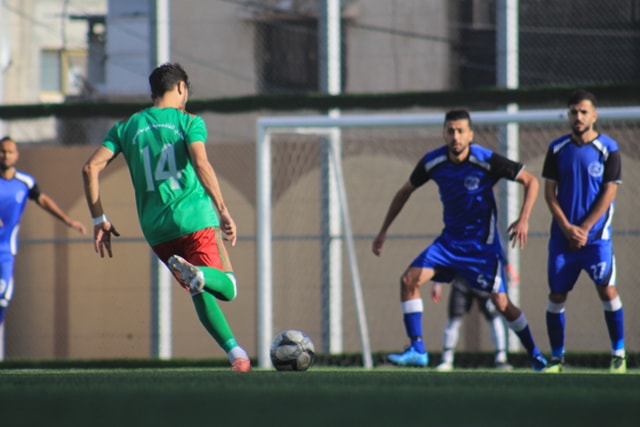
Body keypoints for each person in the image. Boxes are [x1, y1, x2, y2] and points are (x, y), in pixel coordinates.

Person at [81, 62, 251, 372]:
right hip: (194, 218)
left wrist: (98, 219)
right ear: (181, 88)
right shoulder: (188, 121)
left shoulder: (125, 127)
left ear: (153, 92)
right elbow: (201, 164)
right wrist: (223, 210)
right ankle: (202, 276)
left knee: (198, 288)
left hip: (156, 230)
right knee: (228, 286)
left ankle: (237, 355)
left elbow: (90, 168)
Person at [372, 109, 547, 371]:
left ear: (470, 135)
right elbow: (405, 190)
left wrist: (524, 219)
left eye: (461, 131)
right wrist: (383, 230)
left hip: (481, 249)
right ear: (444, 134)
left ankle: (534, 354)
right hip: (448, 245)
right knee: (408, 280)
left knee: (501, 303)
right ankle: (418, 349)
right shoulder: (432, 162)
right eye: (451, 131)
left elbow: (531, 181)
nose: (456, 137)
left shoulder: (485, 160)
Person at [541, 89, 625, 374]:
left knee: (607, 290)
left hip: (596, 240)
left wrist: (585, 229)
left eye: (583, 112)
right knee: (556, 295)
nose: (578, 117)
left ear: (594, 116)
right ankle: (557, 359)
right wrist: (567, 228)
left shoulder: (609, 148)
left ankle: (618, 354)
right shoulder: (556, 148)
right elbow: (549, 193)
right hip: (563, 239)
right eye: (574, 112)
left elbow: (609, 192)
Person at [0, 136, 87, 330]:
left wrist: (68, 220)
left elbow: (43, 200)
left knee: (3, 297)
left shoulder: (25, 182)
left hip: (5, 251)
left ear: (16, 155)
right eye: (2, 151)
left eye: (9, 152)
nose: (5, 156)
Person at [431, 264, 519, 371]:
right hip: (461, 280)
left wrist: (508, 269)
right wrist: (438, 282)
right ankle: (446, 359)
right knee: (454, 318)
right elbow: (447, 257)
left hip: (483, 280)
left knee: (494, 317)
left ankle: (501, 359)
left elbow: (498, 254)